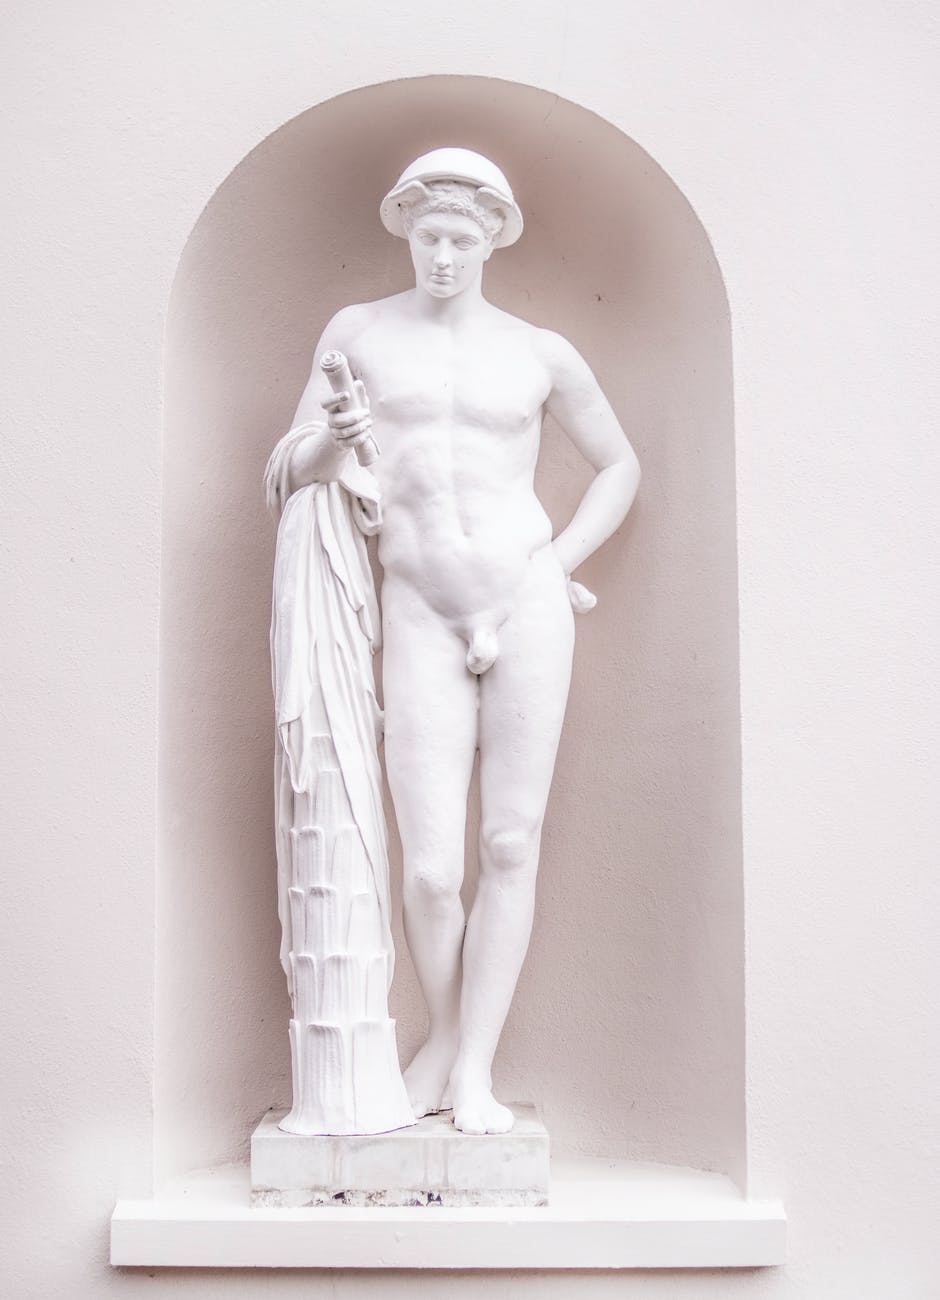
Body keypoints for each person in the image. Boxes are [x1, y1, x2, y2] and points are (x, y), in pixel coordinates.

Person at [275, 148, 640, 1134]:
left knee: (510, 842)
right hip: (418, 604)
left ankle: (471, 1066)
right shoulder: (359, 334)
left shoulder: (539, 351)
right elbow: (294, 465)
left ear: (490, 243)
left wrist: (560, 560)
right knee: (432, 867)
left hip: (525, 601)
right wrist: (336, 435)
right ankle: (443, 1035)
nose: (443, 256)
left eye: (461, 241)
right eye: (430, 237)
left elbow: (619, 464)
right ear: (407, 231)